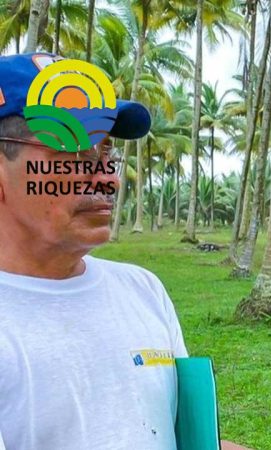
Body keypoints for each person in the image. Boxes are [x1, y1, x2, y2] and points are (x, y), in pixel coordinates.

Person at [0, 53, 244, 450]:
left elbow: (184, 441)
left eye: (108, 155)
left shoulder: (142, 290)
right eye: (76, 153)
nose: (108, 178)